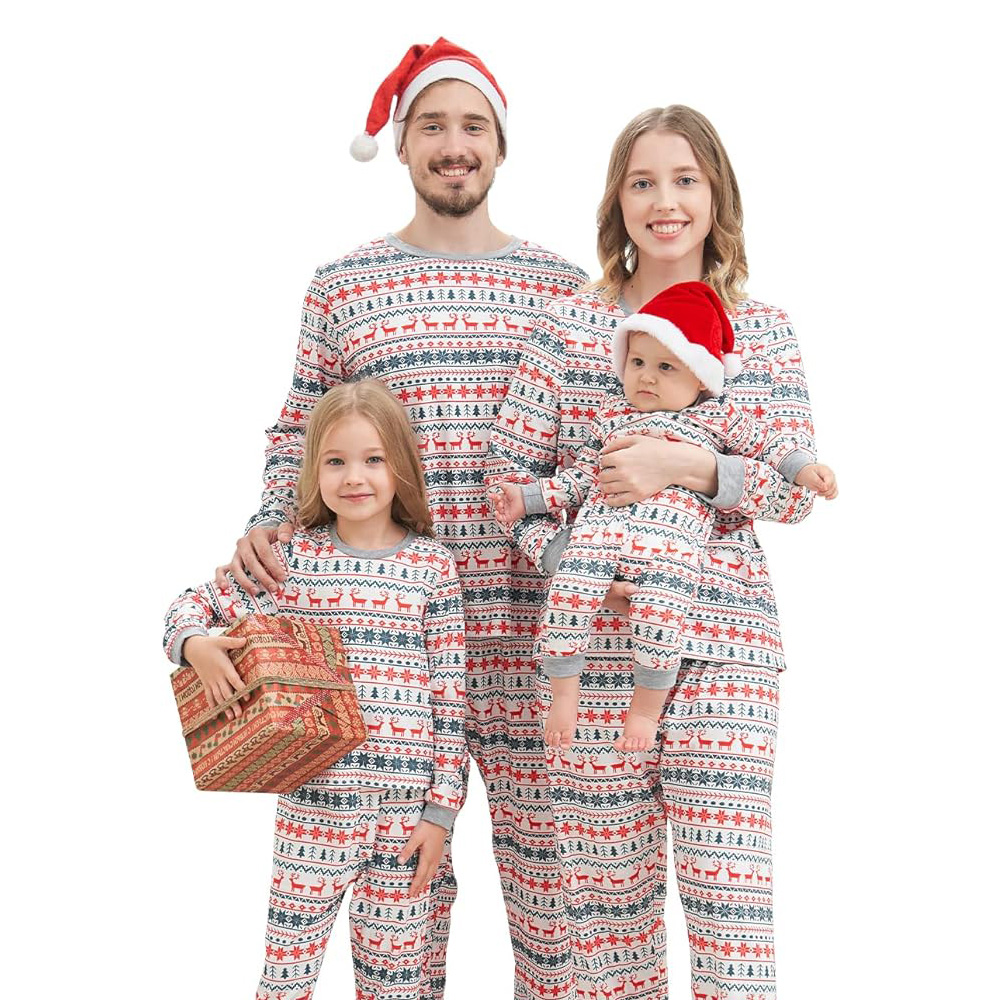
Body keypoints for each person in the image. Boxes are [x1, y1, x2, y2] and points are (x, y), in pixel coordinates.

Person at [214, 38, 588, 1000]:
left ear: (501, 147)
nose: (453, 145)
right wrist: (267, 524)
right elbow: (300, 423)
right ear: (402, 142)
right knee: (403, 909)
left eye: (473, 126)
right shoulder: (344, 285)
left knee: (558, 903)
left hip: (530, 627)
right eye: (433, 126)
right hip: (381, 643)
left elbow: (589, 439)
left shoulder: (561, 289)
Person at [486, 105, 819, 999]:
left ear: (717, 196)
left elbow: (792, 490)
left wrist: (695, 464)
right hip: (587, 667)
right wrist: (574, 569)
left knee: (729, 913)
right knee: (607, 927)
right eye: (643, 182)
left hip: (727, 653)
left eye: (685, 180)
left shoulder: (766, 329)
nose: (664, 202)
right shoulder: (566, 329)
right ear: (617, 201)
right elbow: (511, 483)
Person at [164, 380, 467, 1000]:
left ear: (402, 468)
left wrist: (440, 813)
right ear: (313, 470)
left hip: (406, 819)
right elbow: (191, 605)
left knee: (395, 981)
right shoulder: (292, 560)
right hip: (313, 810)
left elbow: (450, 701)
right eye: (335, 461)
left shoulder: (432, 568)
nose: (354, 477)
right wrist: (193, 645)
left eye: (373, 459)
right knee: (286, 976)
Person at [489, 281, 835, 752]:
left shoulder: (720, 416)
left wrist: (796, 469)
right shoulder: (612, 416)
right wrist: (529, 499)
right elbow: (581, 478)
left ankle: (645, 710)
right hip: (597, 535)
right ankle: (563, 696)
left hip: (676, 555)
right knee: (567, 599)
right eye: (637, 364)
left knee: (659, 617)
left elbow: (776, 454)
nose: (646, 377)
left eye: (665, 367)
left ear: (701, 377)